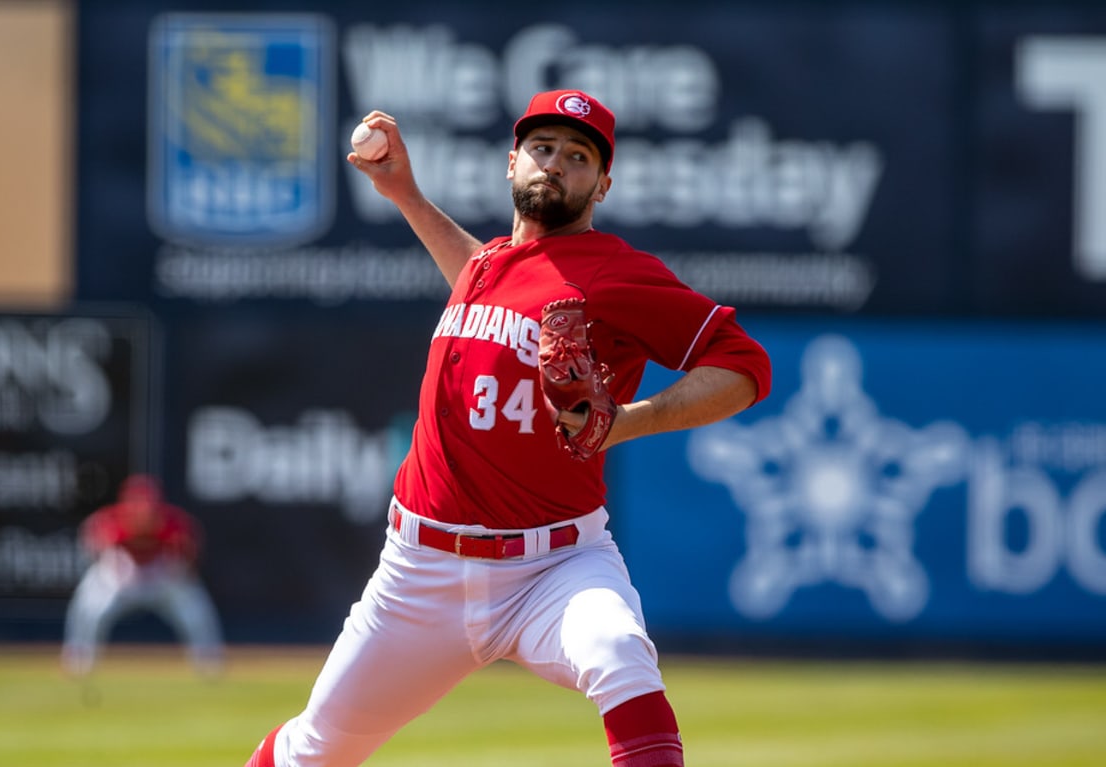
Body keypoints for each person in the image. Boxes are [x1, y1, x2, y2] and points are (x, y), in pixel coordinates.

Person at [242, 90, 772, 767]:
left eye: (578, 156)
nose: (556, 164)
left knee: (619, 653)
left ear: (602, 184)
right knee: (313, 749)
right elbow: (474, 275)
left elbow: (743, 364)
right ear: (511, 161)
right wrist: (405, 194)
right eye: (542, 148)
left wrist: (629, 421)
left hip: (555, 565)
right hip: (420, 573)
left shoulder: (614, 271)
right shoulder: (491, 264)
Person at [62, 473, 225, 679]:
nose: (143, 508)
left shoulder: (173, 522)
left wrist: (179, 571)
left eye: (148, 503)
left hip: (162, 579)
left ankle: (208, 661)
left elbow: (190, 556)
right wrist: (110, 566)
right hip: (122, 578)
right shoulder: (112, 520)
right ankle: (79, 659)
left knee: (196, 607)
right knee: (91, 601)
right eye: (137, 502)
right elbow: (92, 543)